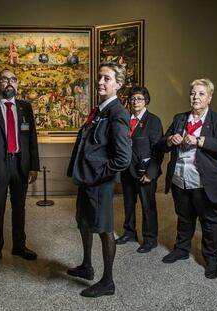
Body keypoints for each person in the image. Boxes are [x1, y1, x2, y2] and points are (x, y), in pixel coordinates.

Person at [67, 62, 132, 297]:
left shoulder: (118, 113)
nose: (101, 82)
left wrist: (98, 174)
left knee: (104, 230)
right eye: (100, 77)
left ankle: (108, 282)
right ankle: (87, 266)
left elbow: (123, 158)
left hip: (99, 183)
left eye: (107, 78)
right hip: (87, 179)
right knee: (83, 221)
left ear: (119, 84)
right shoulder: (100, 109)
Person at [159, 78, 217, 279]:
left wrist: (200, 140)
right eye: (193, 93)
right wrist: (170, 139)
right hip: (180, 180)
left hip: (205, 183)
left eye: (201, 94)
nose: (196, 97)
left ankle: (211, 258)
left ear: (209, 98)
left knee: (210, 222)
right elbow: (161, 143)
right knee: (184, 218)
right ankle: (181, 249)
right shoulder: (179, 119)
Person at [0, 69, 39, 270]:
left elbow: (32, 139)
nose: (9, 83)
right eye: (4, 79)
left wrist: (33, 166)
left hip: (21, 166)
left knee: (19, 209)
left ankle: (19, 246)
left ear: (17, 84)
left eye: (13, 79)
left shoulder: (25, 108)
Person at [116, 86, 164, 253]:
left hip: (145, 172)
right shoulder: (125, 119)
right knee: (128, 204)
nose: (135, 102)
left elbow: (158, 150)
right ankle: (129, 232)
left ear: (146, 101)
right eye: (133, 99)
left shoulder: (154, 121)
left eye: (139, 99)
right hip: (126, 170)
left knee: (148, 206)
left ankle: (150, 239)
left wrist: (151, 173)